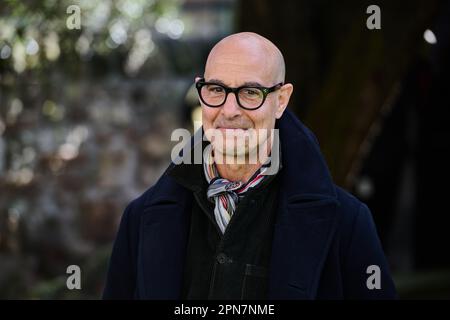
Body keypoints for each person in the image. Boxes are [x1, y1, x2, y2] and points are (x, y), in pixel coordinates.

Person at [103, 32, 397, 299]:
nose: (229, 111)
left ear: (281, 100)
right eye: (217, 89)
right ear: (200, 92)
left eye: (250, 93)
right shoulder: (140, 220)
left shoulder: (347, 223)